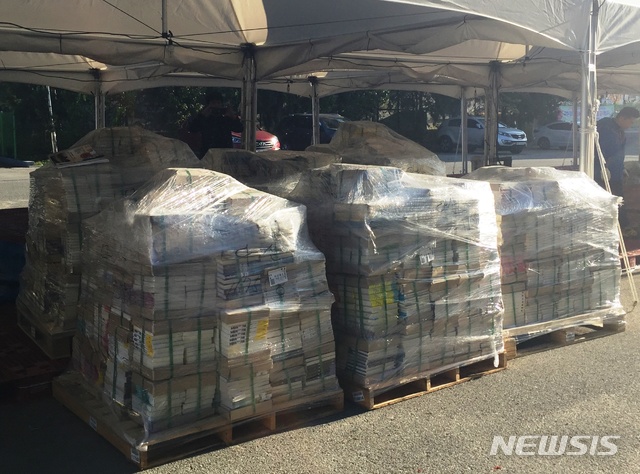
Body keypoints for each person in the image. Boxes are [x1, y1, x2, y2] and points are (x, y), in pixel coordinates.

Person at [595, 106, 640, 230]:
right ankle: (620, 227)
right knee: (611, 201)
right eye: (630, 121)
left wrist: (622, 168)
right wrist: (603, 167)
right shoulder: (606, 127)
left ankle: (621, 226)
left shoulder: (619, 131)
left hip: (615, 173)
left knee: (618, 200)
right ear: (622, 118)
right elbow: (599, 149)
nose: (631, 125)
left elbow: (618, 153)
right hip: (603, 173)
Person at [188, 92, 243, 158]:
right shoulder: (204, 120)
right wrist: (203, 114)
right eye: (213, 103)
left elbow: (239, 128)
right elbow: (192, 128)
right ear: (208, 105)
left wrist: (232, 116)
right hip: (208, 154)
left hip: (224, 155)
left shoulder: (225, 120)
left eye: (218, 103)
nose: (216, 105)